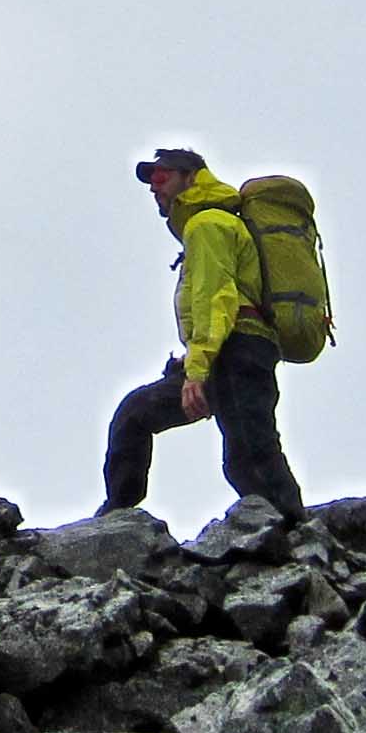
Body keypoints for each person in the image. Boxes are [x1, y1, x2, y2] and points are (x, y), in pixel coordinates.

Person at [101, 145, 303, 516]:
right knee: (134, 415)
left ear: (190, 178)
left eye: (161, 176)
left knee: (250, 452)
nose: (153, 187)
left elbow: (216, 300)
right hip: (220, 352)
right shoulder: (207, 224)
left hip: (238, 349)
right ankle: (116, 519)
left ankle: (293, 531)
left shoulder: (208, 224)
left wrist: (196, 373)